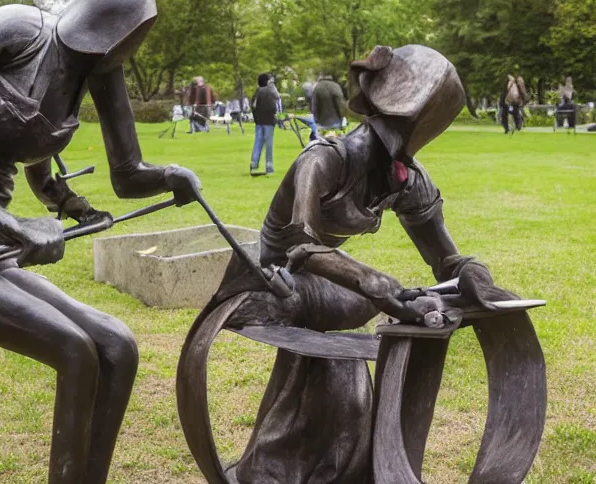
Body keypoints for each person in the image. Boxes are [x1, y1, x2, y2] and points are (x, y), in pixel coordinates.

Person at [0, 0, 200, 483]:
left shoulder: (99, 75)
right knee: (76, 350)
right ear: (106, 26)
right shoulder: (16, 28)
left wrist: (166, 180)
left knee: (117, 347)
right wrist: (3, 219)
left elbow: (126, 175)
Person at [178, 45, 521, 482]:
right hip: (267, 286)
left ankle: (336, 464)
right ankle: (281, 465)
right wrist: (375, 283)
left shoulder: (406, 178)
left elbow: (445, 258)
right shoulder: (324, 160)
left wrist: (472, 275)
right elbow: (302, 245)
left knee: (367, 322)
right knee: (356, 324)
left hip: (327, 290)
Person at [250, 73, 281, 175]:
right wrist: (279, 117)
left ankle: (254, 163)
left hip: (259, 120)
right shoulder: (272, 89)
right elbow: (277, 101)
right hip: (269, 120)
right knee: (268, 143)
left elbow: (253, 105)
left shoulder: (258, 91)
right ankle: (269, 165)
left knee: (258, 141)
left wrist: (256, 117)